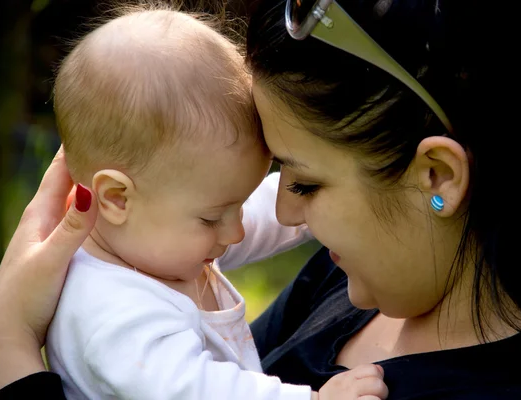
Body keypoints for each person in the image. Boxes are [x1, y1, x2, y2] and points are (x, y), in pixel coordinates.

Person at [0, 0, 521, 398]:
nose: (278, 214)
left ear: (436, 177)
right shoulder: (355, 282)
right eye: (281, 177)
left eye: (304, 181)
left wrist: (10, 344)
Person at [39, 4, 388, 400]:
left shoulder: (154, 238)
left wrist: (328, 200)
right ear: (117, 199)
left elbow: (260, 213)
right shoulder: (108, 311)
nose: (236, 229)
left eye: (235, 206)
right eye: (211, 218)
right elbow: (195, 389)